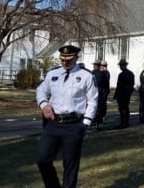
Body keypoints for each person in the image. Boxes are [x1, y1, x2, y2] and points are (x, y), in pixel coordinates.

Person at [36, 45, 98, 188]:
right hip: (53, 124)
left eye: (68, 59)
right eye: (62, 59)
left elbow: (93, 99)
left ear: (76, 58)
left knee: (70, 166)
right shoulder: (53, 74)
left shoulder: (86, 76)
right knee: (42, 159)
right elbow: (41, 90)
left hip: (74, 125)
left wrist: (87, 122)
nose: (65, 62)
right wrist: (44, 104)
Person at [113, 59, 135, 129]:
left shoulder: (121, 75)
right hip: (127, 94)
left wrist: (115, 95)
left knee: (122, 109)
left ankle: (123, 123)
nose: (120, 67)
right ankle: (126, 122)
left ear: (123, 65)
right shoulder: (131, 73)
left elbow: (119, 86)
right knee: (126, 108)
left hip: (122, 94)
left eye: (120, 65)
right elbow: (132, 84)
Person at [93, 60, 110, 130]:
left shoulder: (103, 73)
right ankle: (97, 122)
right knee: (97, 108)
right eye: (95, 65)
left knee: (99, 109)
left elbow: (105, 84)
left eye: (96, 65)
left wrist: (105, 93)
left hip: (100, 93)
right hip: (97, 93)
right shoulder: (93, 73)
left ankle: (98, 123)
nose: (95, 66)